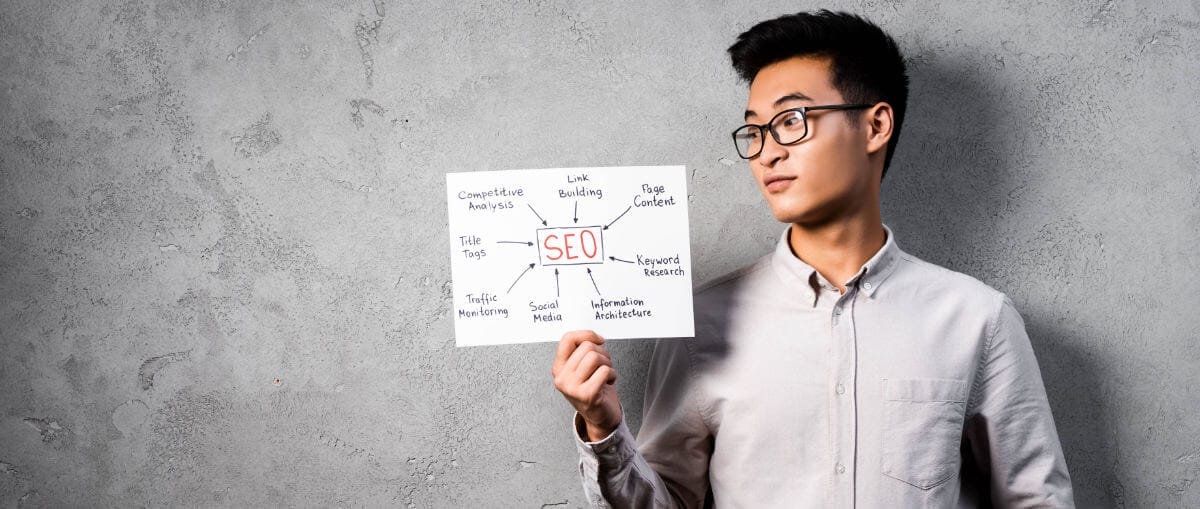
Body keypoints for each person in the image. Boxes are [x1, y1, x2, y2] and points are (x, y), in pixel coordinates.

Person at [550, 9, 1074, 508]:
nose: (767, 153)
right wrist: (603, 427)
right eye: (755, 130)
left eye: (792, 121)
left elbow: (1036, 499)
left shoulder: (977, 319)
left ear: (875, 126)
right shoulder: (700, 324)